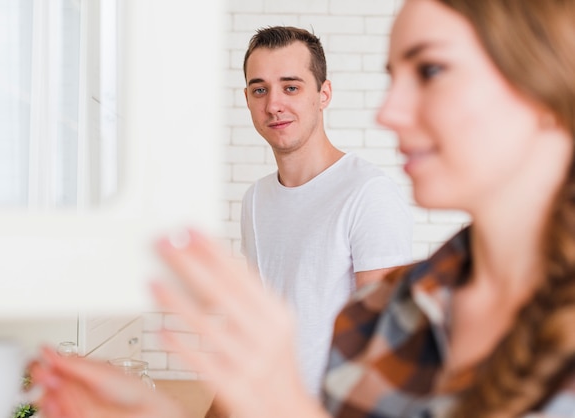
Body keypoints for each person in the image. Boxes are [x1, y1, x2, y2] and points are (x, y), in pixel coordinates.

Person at [31, 0, 575, 417]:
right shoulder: (427, 294)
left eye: (430, 70)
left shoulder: (371, 199)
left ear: (543, 83)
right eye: (258, 88)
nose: (389, 111)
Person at [234, 25, 414, 400]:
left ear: (323, 94)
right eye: (260, 89)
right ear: (248, 98)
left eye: (292, 87)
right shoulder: (255, 200)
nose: (273, 104)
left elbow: (381, 350)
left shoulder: (367, 193)